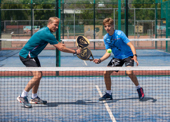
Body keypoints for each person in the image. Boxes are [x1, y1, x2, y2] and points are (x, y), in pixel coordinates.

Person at [17, 17, 81, 108]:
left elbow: (57, 44)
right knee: (37, 75)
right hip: (26, 55)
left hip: (33, 55)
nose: (57, 27)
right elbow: (61, 48)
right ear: (49, 23)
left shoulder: (46, 31)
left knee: (39, 75)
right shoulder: (46, 33)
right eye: (55, 25)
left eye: (58, 25)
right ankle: (22, 96)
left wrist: (59, 44)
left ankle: (34, 97)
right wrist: (75, 52)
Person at [93, 18, 144, 101]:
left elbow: (131, 45)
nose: (107, 28)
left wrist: (135, 56)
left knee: (129, 72)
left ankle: (139, 89)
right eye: (105, 26)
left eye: (109, 26)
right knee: (106, 73)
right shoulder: (106, 38)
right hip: (117, 58)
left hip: (128, 56)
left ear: (113, 26)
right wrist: (100, 60)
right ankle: (108, 93)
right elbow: (108, 52)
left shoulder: (120, 34)